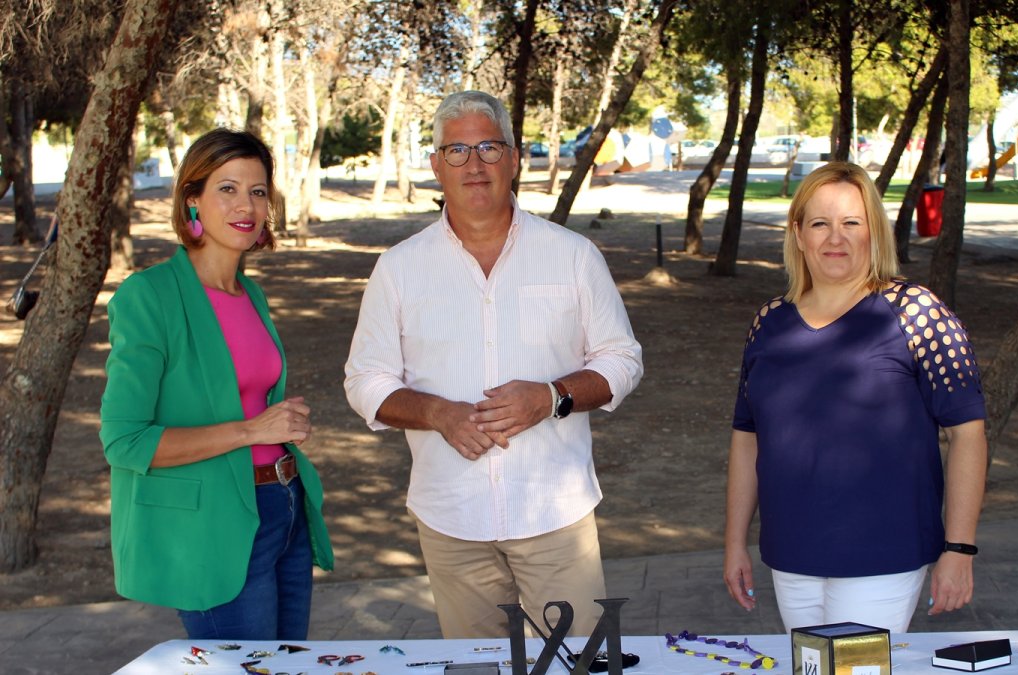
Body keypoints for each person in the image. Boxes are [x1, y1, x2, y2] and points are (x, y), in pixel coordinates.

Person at [344, 90, 643, 639]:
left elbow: (621, 359)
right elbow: (366, 379)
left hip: (555, 516)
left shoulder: (573, 255)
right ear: (436, 166)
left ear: (514, 158)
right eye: (456, 151)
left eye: (488, 146)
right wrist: (437, 413)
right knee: (477, 668)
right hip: (451, 518)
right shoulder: (398, 269)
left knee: (579, 665)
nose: (474, 164)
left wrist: (550, 397)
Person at [723, 161, 987, 633]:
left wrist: (959, 548)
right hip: (792, 554)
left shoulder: (917, 313)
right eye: (820, 224)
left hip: (883, 552)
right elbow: (748, 439)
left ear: (874, 233)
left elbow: (968, 434)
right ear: (798, 234)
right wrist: (734, 542)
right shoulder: (768, 322)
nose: (835, 238)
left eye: (851, 223)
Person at [100, 129, 334, 640]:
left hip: (284, 507)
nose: (245, 205)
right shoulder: (149, 297)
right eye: (227, 189)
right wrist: (252, 430)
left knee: (288, 669)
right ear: (193, 200)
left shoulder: (251, 293)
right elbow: (124, 441)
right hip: (213, 528)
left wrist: (279, 425)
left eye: (257, 190)